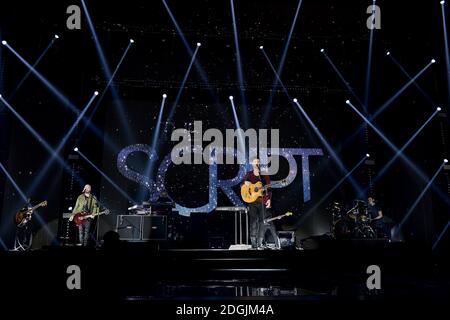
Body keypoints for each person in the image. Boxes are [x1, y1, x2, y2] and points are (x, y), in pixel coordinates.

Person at [242, 158, 279, 249]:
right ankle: (254, 243)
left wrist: (269, 199)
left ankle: (259, 243)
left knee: (262, 222)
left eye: (258, 161)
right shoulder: (249, 174)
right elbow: (242, 185)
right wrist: (245, 183)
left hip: (262, 201)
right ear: (252, 163)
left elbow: (269, 188)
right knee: (254, 221)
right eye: (255, 161)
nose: (257, 163)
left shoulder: (264, 175)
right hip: (252, 201)